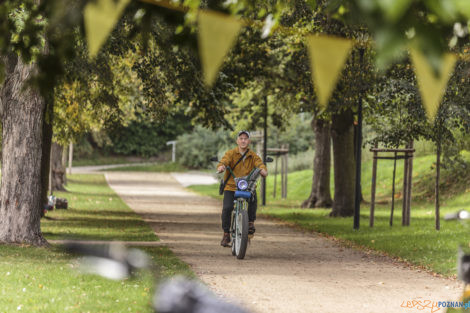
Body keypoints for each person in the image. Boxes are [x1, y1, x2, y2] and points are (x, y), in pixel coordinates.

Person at [217, 131, 268, 247]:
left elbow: (260, 164)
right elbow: (224, 161)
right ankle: (226, 234)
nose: (243, 140)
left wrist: (263, 170)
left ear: (249, 141)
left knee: (253, 199)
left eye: (246, 138)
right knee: (227, 208)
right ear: (237, 141)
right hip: (231, 186)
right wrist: (222, 167)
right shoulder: (231, 153)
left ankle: (250, 223)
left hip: (246, 186)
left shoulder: (253, 155)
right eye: (241, 138)